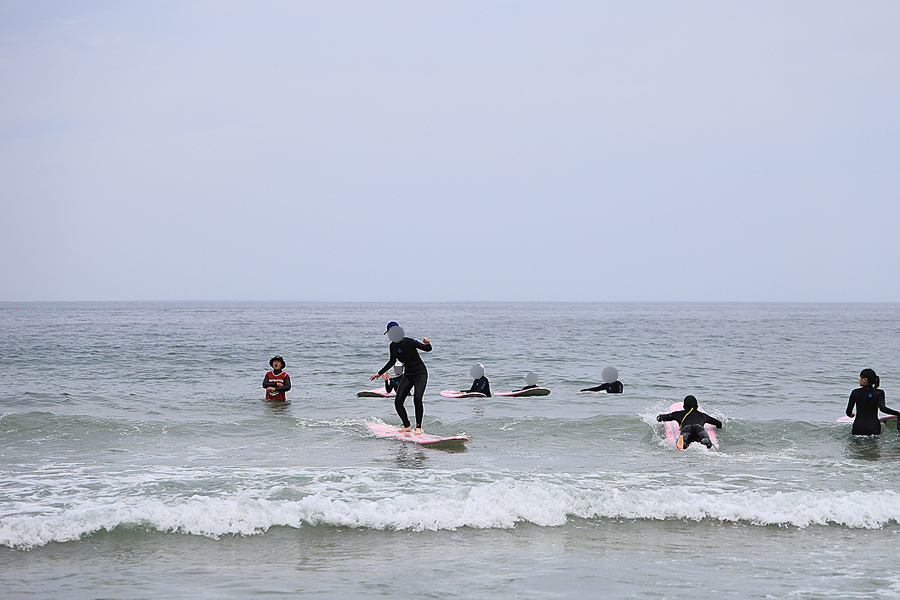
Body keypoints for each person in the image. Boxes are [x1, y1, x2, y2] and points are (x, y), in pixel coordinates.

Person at [370, 321, 432, 435]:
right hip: (408, 375)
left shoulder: (409, 341)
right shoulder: (392, 346)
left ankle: (418, 427)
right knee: (398, 402)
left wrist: (428, 343)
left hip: (420, 373)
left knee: (417, 398)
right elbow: (392, 361)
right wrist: (379, 373)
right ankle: (407, 426)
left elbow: (427, 349)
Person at [846, 368, 900, 435]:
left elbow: (848, 412)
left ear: (865, 379)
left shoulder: (855, 392)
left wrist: (851, 415)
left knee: (856, 445)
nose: (859, 379)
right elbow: (883, 409)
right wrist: (898, 413)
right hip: (873, 427)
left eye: (860, 377)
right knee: (873, 445)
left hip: (858, 427)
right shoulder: (879, 393)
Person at [656, 395, 722, 450]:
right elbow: (719, 424)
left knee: (685, 439)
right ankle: (705, 442)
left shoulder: (678, 414)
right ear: (697, 407)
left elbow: (660, 418)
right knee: (705, 439)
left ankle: (684, 442)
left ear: (684, 407)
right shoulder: (703, 415)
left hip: (686, 429)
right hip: (699, 429)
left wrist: (662, 416)